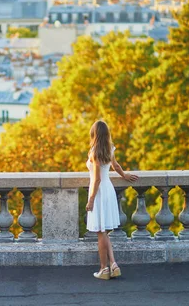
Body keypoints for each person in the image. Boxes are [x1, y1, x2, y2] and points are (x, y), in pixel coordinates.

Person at [86, 120, 138, 280]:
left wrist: (91, 200)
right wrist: (125, 175)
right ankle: (113, 264)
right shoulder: (109, 148)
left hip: (99, 192)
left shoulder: (95, 152)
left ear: (94, 134)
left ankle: (103, 269)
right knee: (104, 232)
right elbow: (115, 166)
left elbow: (96, 180)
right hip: (108, 190)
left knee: (101, 232)